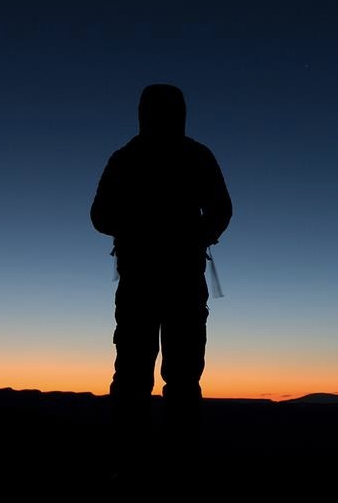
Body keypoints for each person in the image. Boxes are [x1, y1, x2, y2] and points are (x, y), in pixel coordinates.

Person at [90, 83, 232, 456]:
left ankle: (139, 459)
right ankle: (163, 460)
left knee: (151, 376)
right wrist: (196, 235)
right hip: (170, 282)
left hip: (151, 282)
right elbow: (221, 210)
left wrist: (184, 234)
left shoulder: (127, 158)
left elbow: (101, 216)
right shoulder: (194, 156)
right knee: (166, 377)